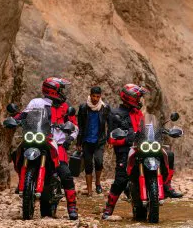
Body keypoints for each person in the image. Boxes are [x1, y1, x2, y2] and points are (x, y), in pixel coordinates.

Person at [101, 84, 183, 220]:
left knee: (169, 155)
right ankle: (108, 210)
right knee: (121, 180)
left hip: (142, 147)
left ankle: (167, 185)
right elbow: (111, 138)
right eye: (138, 97)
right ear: (130, 98)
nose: (140, 100)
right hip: (125, 150)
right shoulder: (115, 114)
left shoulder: (138, 113)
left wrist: (159, 131)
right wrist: (128, 138)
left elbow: (146, 128)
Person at [16, 77, 80, 220]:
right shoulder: (36, 102)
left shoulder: (65, 107)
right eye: (61, 89)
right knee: (17, 153)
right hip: (38, 138)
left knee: (66, 174)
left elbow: (75, 126)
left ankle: (72, 208)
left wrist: (70, 137)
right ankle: (23, 182)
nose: (63, 92)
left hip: (58, 145)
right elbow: (24, 114)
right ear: (53, 90)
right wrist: (15, 119)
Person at [76, 86, 111, 196]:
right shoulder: (83, 108)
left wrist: (109, 139)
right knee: (88, 165)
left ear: (100, 96)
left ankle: (98, 183)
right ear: (90, 95)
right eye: (94, 96)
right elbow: (80, 126)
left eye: (98, 96)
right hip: (86, 140)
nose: (95, 99)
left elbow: (109, 124)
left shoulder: (105, 108)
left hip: (99, 140)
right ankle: (90, 190)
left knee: (99, 161)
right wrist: (78, 142)